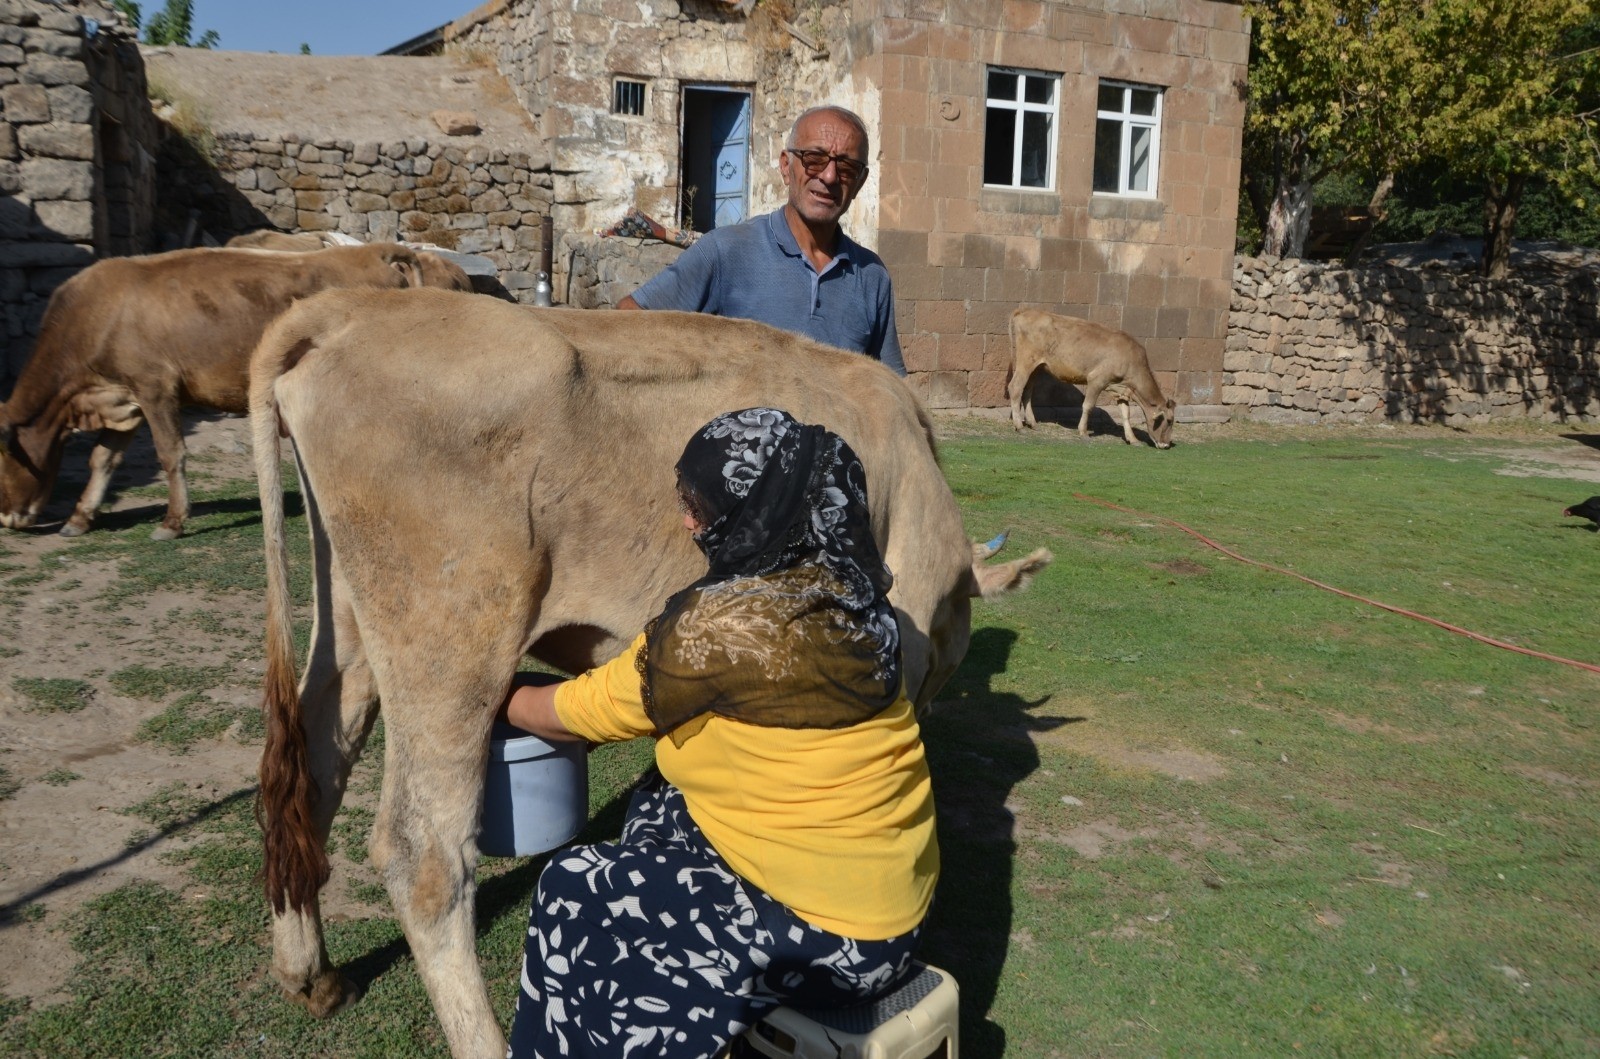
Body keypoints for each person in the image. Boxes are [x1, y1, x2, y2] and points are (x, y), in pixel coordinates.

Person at [500, 406, 937, 1058]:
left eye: (699, 506)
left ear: (751, 512)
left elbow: (572, 711)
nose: (687, 521)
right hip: (900, 909)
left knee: (575, 887)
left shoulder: (718, 631)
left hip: (835, 948)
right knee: (662, 798)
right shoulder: (855, 590)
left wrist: (490, 694)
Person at [617, 107, 907, 376]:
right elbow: (629, 320)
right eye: (814, 159)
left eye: (845, 168)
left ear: (860, 181)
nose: (829, 176)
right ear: (785, 166)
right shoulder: (725, 252)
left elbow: (890, 390)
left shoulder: (872, 276)